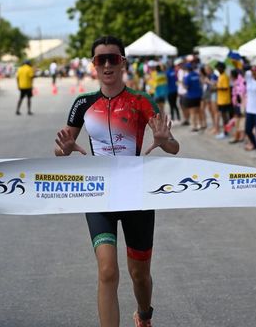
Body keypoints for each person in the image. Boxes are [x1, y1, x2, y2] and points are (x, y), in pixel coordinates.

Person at [54, 36, 179, 327]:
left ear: (123, 62)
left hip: (136, 195)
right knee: (108, 271)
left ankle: (144, 314)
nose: (107, 64)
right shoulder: (83, 104)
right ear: (94, 66)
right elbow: (60, 150)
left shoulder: (141, 101)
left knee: (139, 274)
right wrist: (65, 149)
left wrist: (163, 141)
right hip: (99, 195)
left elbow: (174, 146)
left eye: (113, 58)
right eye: (101, 60)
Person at [182, 62, 203, 132]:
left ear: (187, 69)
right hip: (198, 95)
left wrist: (182, 84)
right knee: (198, 111)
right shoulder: (197, 75)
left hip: (191, 96)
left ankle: (194, 126)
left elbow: (186, 87)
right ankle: (200, 124)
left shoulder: (187, 77)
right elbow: (200, 83)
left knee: (192, 112)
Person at [215, 62, 232, 139]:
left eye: (218, 68)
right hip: (221, 99)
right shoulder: (221, 76)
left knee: (225, 117)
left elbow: (225, 88)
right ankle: (226, 131)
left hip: (225, 100)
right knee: (223, 117)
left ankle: (226, 132)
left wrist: (216, 88)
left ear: (222, 68)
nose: (217, 69)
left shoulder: (225, 76)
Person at [229, 68, 246, 144]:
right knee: (240, 121)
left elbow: (241, 93)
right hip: (238, 104)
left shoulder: (239, 83)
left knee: (239, 121)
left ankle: (238, 136)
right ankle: (240, 136)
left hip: (240, 104)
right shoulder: (239, 81)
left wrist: (241, 104)